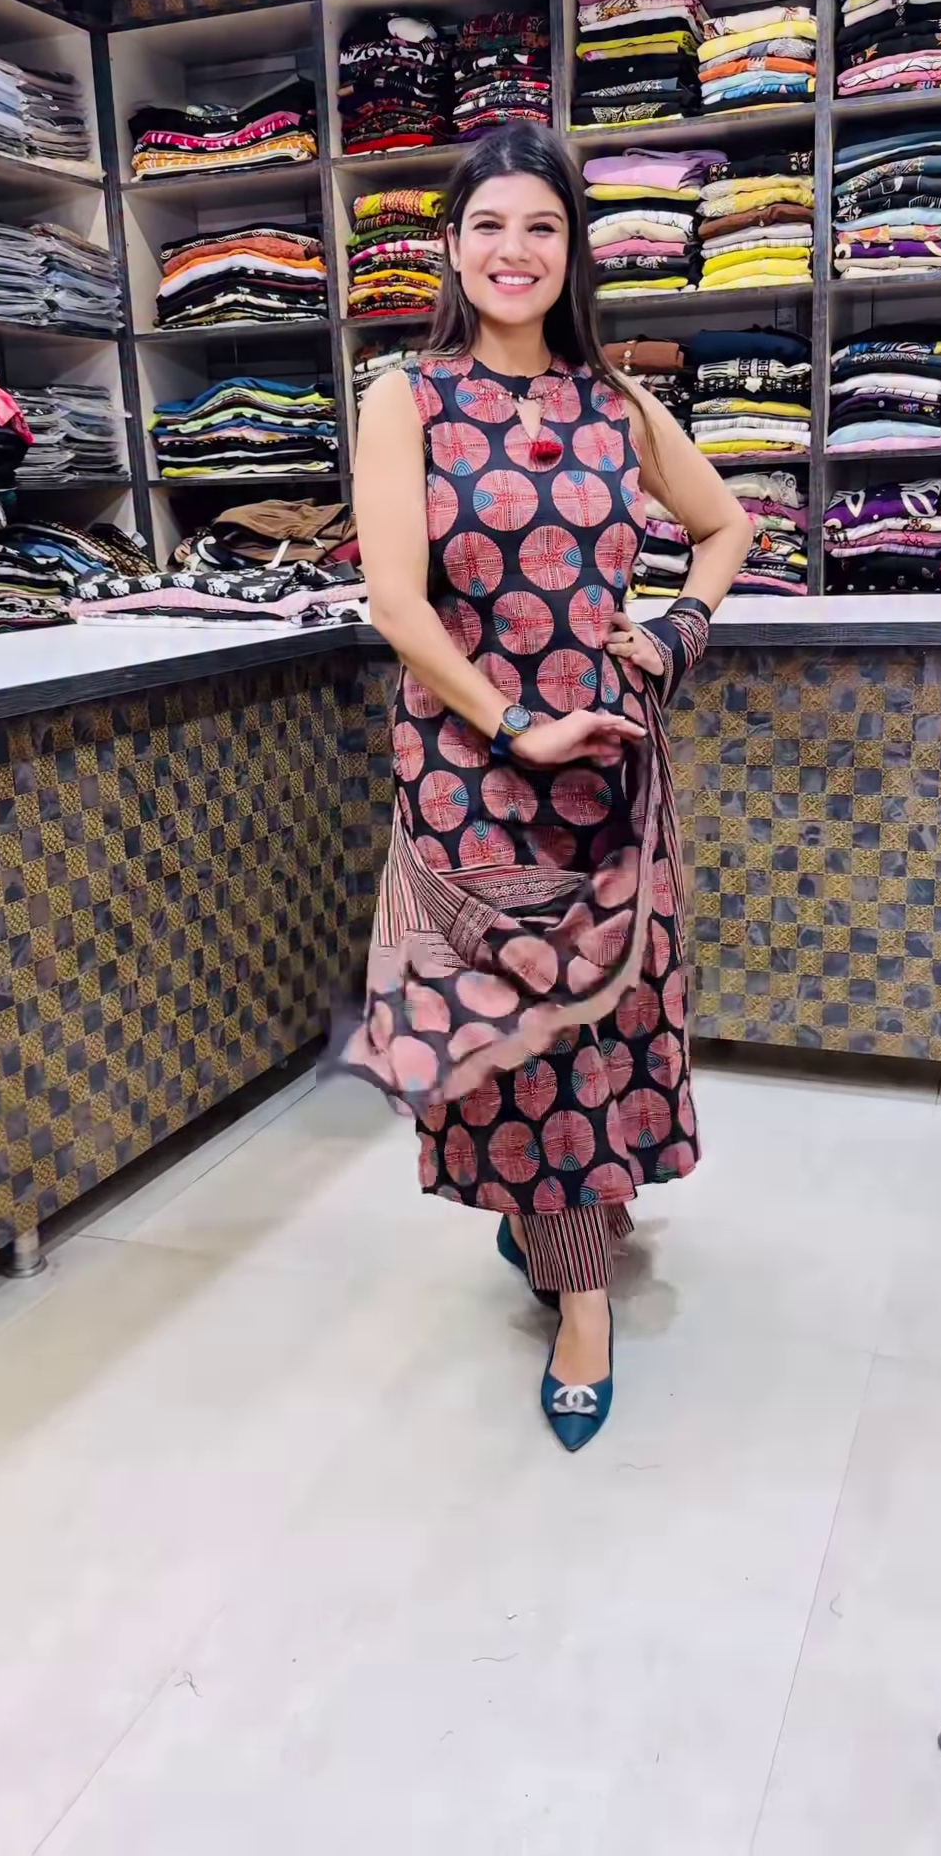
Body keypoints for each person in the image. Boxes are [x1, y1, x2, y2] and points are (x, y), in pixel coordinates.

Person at [348, 121, 751, 1451]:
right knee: (521, 1038)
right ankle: (572, 1268)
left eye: (540, 227)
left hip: (608, 774)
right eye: (487, 226)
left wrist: (672, 634)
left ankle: (574, 1263)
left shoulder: (615, 403)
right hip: (471, 771)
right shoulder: (406, 397)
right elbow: (397, 604)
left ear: (573, 250)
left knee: (598, 1031)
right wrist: (514, 722)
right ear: (452, 247)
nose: (512, 252)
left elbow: (726, 527)